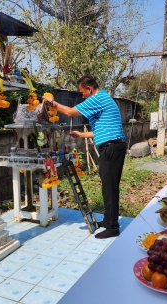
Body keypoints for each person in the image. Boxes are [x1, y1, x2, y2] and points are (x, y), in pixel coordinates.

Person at [42, 75, 126, 239]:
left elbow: (69, 112)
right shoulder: (104, 99)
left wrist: (51, 101)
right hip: (112, 147)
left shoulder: (98, 98)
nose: (82, 96)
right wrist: (82, 135)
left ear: (89, 88)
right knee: (108, 186)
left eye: (82, 92)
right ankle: (109, 220)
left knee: (110, 188)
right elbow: (103, 130)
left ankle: (113, 228)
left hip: (112, 148)